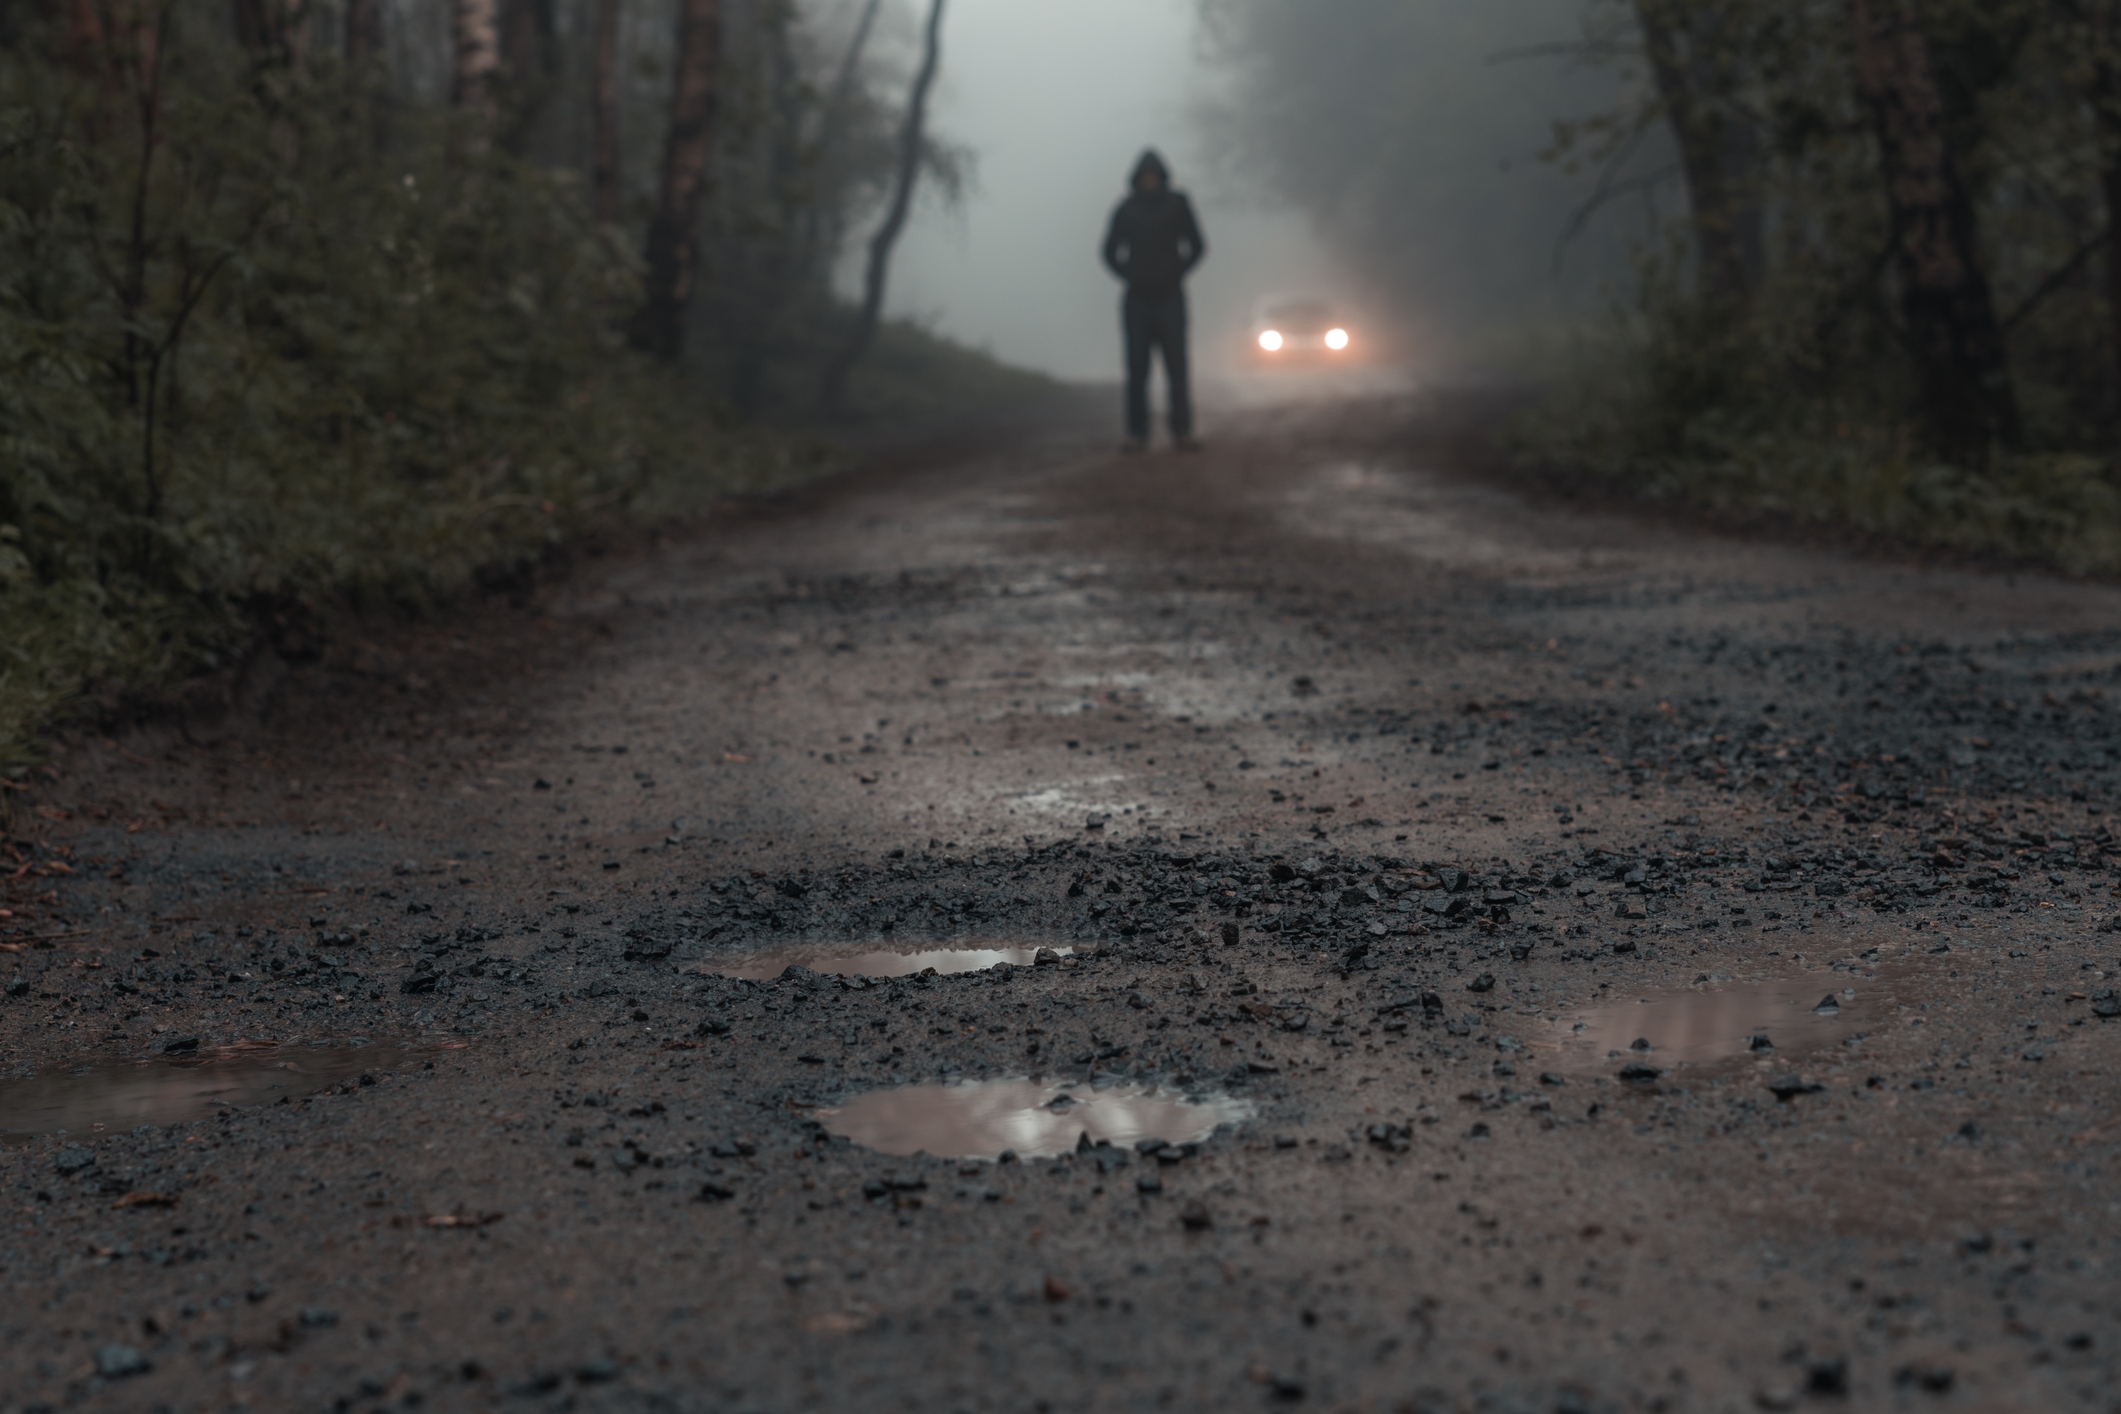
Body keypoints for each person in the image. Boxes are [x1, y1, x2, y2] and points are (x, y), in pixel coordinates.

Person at [1101, 150, 1206, 453]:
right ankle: (1137, 434)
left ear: (1162, 177)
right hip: (1137, 301)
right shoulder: (1125, 210)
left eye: (1154, 176)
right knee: (1137, 370)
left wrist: (1177, 272)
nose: (1149, 182)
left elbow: (1198, 246)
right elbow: (1108, 251)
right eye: (1145, 177)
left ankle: (1183, 431)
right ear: (1136, 179)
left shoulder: (1177, 206)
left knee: (1177, 368)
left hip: (1171, 299)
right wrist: (1129, 275)